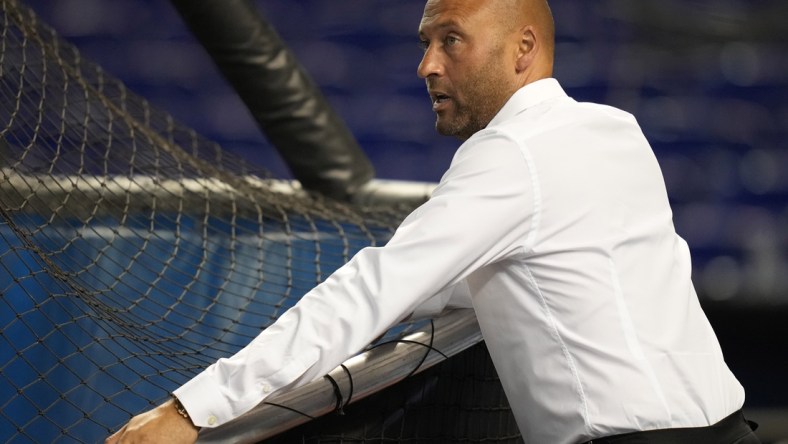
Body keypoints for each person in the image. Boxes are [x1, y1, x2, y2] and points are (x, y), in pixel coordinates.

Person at [106, 0, 760, 443]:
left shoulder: (512, 152)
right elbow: (527, 274)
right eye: (426, 43)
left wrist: (193, 408)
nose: (427, 65)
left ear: (522, 48)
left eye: (452, 40)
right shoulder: (614, 128)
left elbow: (374, 289)